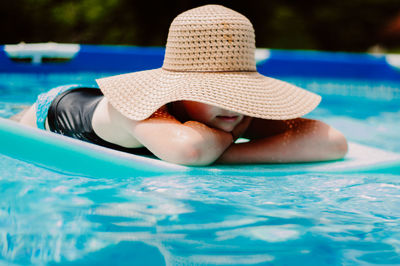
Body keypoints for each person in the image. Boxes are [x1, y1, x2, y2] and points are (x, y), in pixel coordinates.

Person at [18, 4, 348, 166]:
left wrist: (231, 150)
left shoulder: (225, 115)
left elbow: (331, 141)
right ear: (180, 87)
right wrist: (231, 142)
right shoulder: (139, 110)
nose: (231, 105)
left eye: (238, 93)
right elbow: (190, 150)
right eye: (213, 92)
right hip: (51, 113)